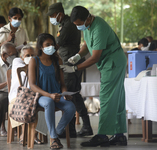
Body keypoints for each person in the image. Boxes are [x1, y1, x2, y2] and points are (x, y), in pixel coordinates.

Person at [60, 6, 127, 147]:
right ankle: (119, 135)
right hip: (112, 62)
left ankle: (102, 135)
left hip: (113, 62)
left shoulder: (99, 27)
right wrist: (78, 55)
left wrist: (75, 68)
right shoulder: (89, 27)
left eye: (79, 24)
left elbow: (95, 57)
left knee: (106, 97)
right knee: (117, 97)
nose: (78, 27)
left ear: (88, 18)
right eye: (76, 25)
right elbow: (87, 44)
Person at [47, 2, 93, 138]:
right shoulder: (66, 23)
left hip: (70, 64)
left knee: (68, 93)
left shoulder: (67, 25)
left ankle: (71, 129)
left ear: (59, 14)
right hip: (71, 62)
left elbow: (57, 44)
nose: (51, 18)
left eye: (52, 16)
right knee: (75, 94)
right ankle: (85, 126)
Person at [28, 33, 75, 149]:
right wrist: (49, 95)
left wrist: (65, 94)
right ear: (40, 46)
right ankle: (53, 139)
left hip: (57, 94)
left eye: (52, 44)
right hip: (41, 96)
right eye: (47, 44)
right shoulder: (34, 61)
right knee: (49, 102)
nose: (51, 47)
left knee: (71, 107)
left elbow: (62, 84)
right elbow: (32, 85)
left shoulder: (57, 61)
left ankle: (57, 131)